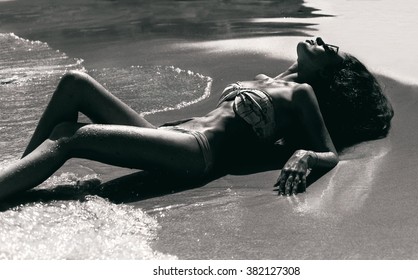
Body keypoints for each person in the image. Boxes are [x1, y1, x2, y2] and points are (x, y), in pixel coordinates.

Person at [0, 37, 393, 200]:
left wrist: (306, 156)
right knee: (74, 83)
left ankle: (10, 183)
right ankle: (21, 174)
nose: (321, 42)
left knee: (71, 136)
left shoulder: (300, 95)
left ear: (326, 73)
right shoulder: (263, 79)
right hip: (171, 135)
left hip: (196, 153)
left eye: (330, 49)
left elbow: (330, 153)